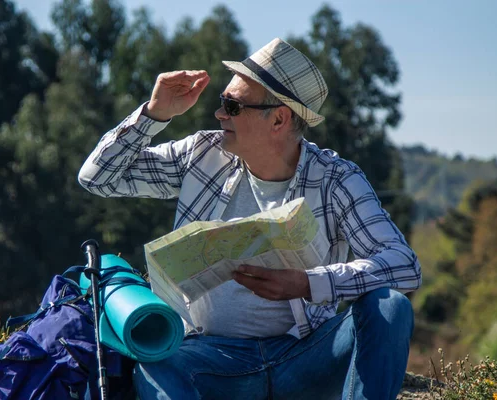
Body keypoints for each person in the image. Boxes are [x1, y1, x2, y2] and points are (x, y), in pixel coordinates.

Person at [78, 38, 422, 400]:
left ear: (278, 118)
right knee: (155, 364)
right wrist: (154, 114)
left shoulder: (336, 178)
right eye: (222, 103)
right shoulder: (201, 154)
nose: (219, 114)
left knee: (390, 307)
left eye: (232, 105)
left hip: (303, 358)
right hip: (211, 356)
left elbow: (403, 265)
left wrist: (309, 283)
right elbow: (98, 177)